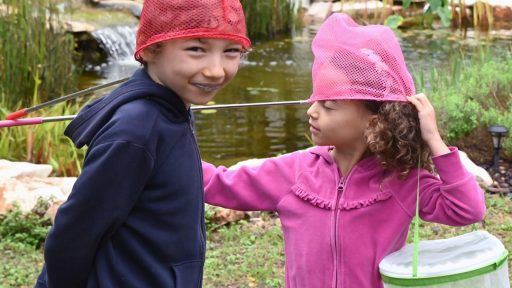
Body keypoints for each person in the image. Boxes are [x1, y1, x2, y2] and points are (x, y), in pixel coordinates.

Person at [201, 13, 486, 287]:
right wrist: (168, 138)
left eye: (328, 106)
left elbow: (467, 210)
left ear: (373, 122)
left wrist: (434, 139)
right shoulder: (295, 172)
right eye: (315, 101)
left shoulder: (402, 181)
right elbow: (216, 183)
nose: (312, 112)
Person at [35, 0, 250, 287]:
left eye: (231, 52)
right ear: (150, 49)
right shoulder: (136, 128)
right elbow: (74, 233)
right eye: (196, 49)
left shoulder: (174, 106)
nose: (216, 70)